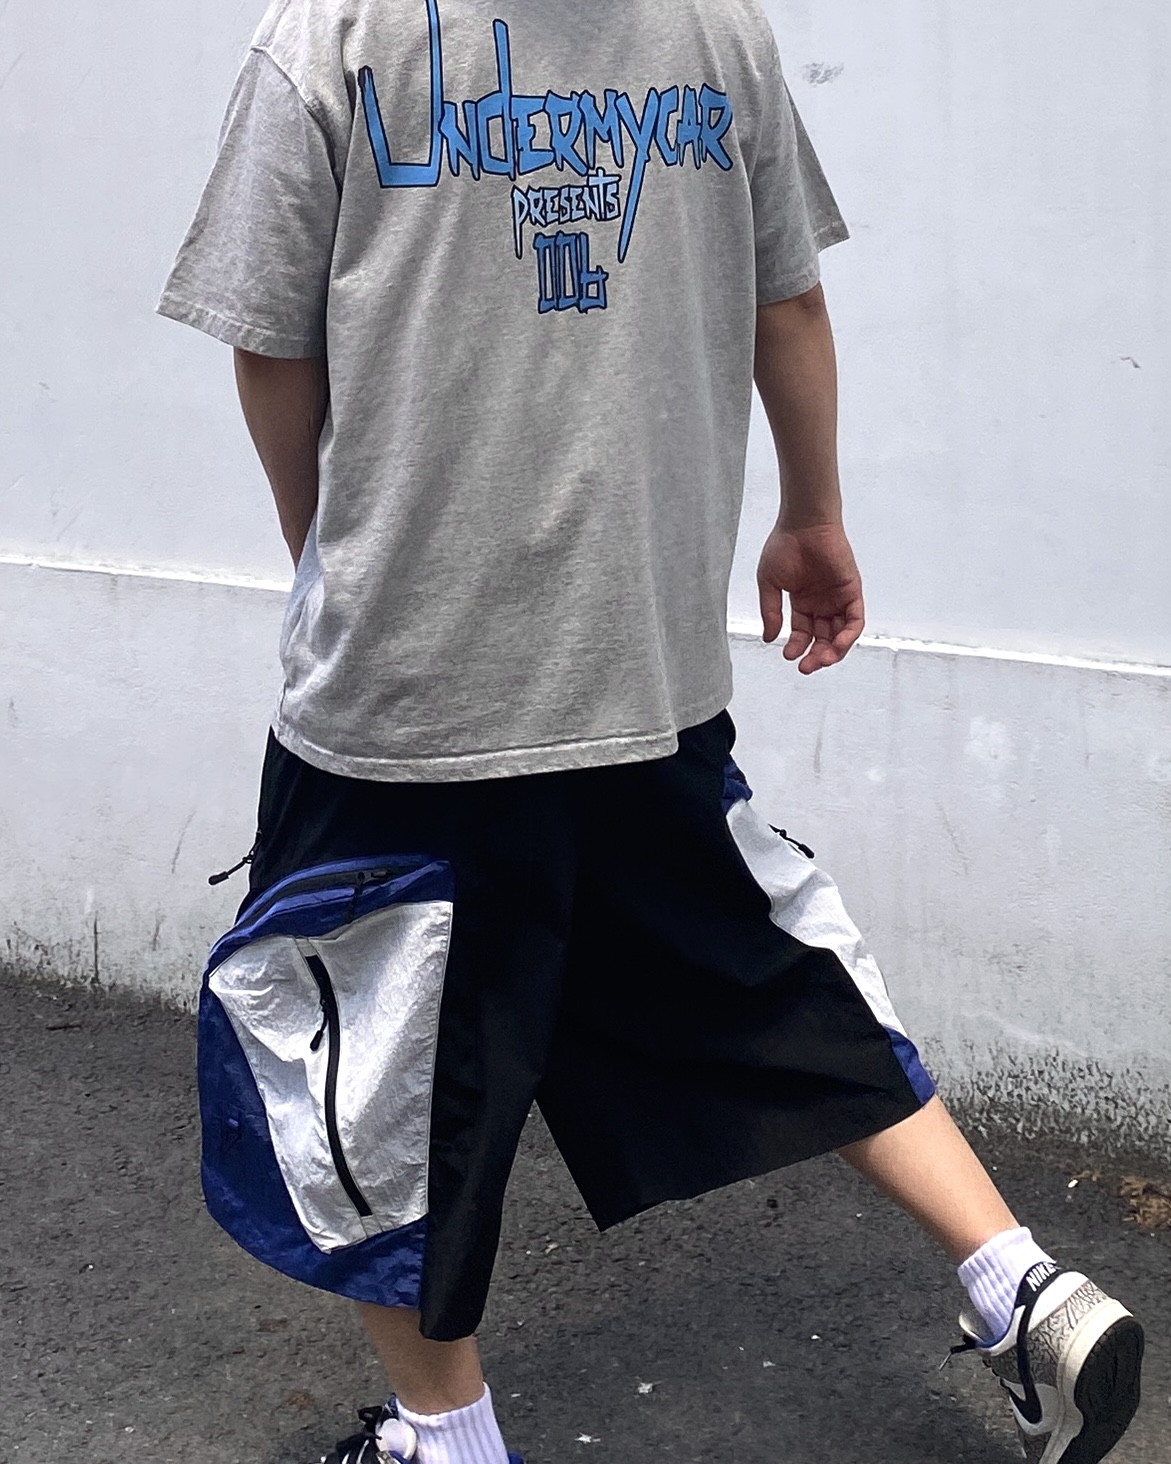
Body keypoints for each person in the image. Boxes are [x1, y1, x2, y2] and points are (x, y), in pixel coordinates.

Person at [158, 2, 1144, 1462]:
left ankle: (445, 1435)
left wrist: (328, 559)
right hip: (640, 668)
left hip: (406, 700)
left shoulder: (335, 34)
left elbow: (269, 346)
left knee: (375, 1070)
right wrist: (813, 513)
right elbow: (787, 303)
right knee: (766, 967)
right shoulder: (714, 29)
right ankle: (1022, 1284)